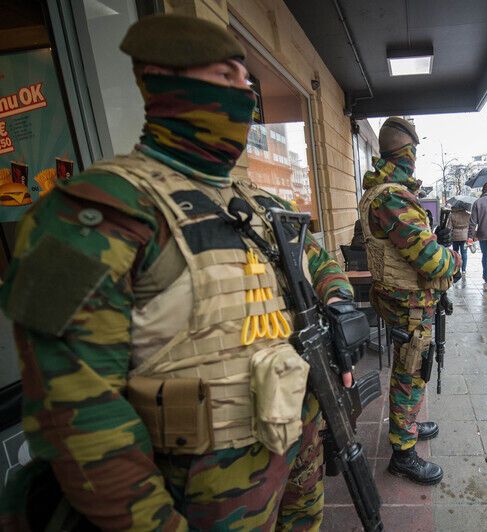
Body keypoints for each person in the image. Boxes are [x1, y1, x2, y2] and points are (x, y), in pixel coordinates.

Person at [0, 15, 357, 530]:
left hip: (296, 450)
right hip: (201, 494)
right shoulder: (94, 214)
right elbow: (80, 418)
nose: (245, 94)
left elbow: (317, 262)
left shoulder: (262, 205)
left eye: (245, 81)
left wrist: (339, 305)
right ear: (165, 84)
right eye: (224, 77)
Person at [358, 117, 460, 485]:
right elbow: (430, 260)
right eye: (413, 152)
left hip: (400, 300)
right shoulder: (391, 196)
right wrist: (453, 258)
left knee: (410, 370)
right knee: (410, 374)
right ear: (407, 154)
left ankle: (409, 425)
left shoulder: (381, 191)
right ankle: (403, 452)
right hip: (410, 304)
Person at [447, 206, 470, 277]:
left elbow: (449, 227)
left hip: (455, 236)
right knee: (464, 253)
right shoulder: (468, 215)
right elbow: (470, 226)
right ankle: (463, 270)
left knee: (455, 253)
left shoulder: (452, 215)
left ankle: (456, 269)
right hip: (465, 236)